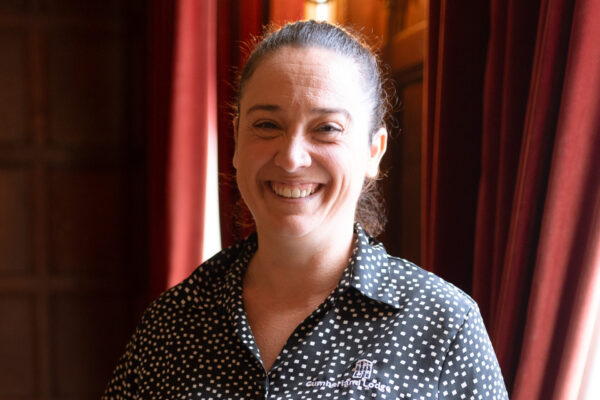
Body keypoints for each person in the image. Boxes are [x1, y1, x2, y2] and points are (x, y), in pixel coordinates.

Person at [103, 20, 508, 399]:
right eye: (266, 125)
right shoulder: (172, 323)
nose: (292, 157)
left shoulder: (443, 324)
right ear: (237, 142)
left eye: (326, 129)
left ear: (373, 151)